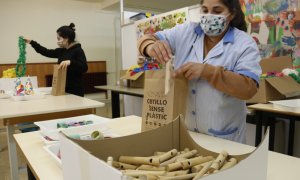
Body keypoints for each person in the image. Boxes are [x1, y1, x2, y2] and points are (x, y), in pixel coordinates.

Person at [138, 0, 261, 143]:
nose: (209, 16)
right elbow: (145, 40)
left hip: (224, 139)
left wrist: (208, 72)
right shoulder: (186, 32)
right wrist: (150, 46)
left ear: (232, 14)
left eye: (217, 11)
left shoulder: (244, 43)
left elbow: (248, 88)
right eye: (204, 10)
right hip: (186, 133)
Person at [25, 23, 88, 97]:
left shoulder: (78, 50)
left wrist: (70, 62)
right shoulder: (62, 51)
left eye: (59, 38)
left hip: (75, 90)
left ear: (66, 38)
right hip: (62, 88)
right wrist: (32, 42)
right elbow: (46, 52)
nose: (58, 41)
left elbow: (84, 67)